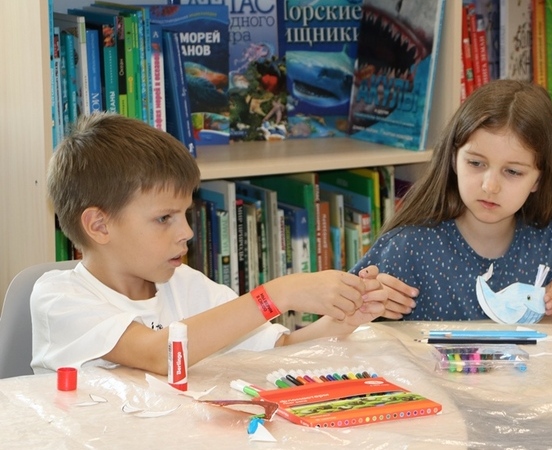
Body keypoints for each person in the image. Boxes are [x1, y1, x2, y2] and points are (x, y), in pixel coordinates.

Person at [31, 112, 390, 375]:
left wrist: (342, 321)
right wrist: (279, 294)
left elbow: (278, 349)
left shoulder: (185, 284)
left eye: (185, 214)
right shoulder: (59, 299)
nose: (187, 232)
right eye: (164, 218)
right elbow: (160, 355)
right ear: (99, 225)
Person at [350, 80, 552, 321]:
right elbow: (340, 319)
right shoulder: (408, 246)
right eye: (476, 163)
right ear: (454, 159)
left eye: (513, 171)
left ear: (538, 180)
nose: (490, 186)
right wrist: (365, 302)